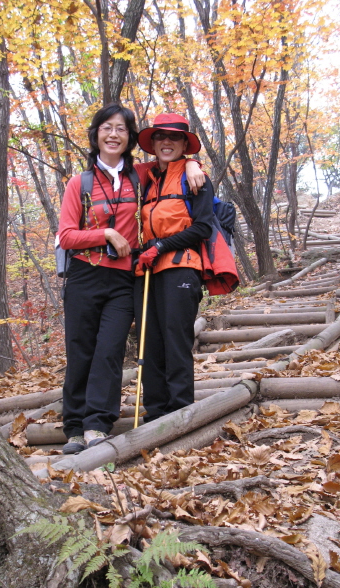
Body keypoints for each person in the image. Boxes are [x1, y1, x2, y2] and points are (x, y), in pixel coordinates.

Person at [58, 104, 204, 454]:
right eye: (106, 128)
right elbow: (66, 236)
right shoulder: (79, 183)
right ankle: (75, 428)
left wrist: (196, 162)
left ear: (129, 139)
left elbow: (174, 162)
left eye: (121, 129)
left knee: (109, 352)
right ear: (95, 135)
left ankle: (97, 423)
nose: (113, 135)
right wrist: (105, 233)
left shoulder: (141, 175)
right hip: (83, 276)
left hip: (124, 280)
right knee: (80, 351)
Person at [134, 113, 214, 423]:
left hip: (181, 266)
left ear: (184, 144)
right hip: (147, 271)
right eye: (160, 137)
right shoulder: (146, 179)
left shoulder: (195, 178)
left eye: (175, 137)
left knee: (175, 340)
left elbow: (204, 227)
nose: (167, 142)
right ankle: (156, 415)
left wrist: (161, 246)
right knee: (149, 341)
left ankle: (181, 414)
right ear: (153, 143)